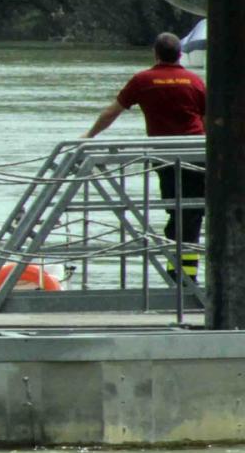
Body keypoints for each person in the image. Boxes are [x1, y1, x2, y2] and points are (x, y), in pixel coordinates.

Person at [84, 31, 206, 281]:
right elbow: (209, 118)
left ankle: (180, 273)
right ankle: (185, 275)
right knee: (192, 212)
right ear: (180, 54)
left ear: (155, 53)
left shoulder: (143, 80)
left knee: (176, 209)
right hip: (195, 152)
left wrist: (89, 136)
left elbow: (111, 112)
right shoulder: (194, 81)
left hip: (165, 155)